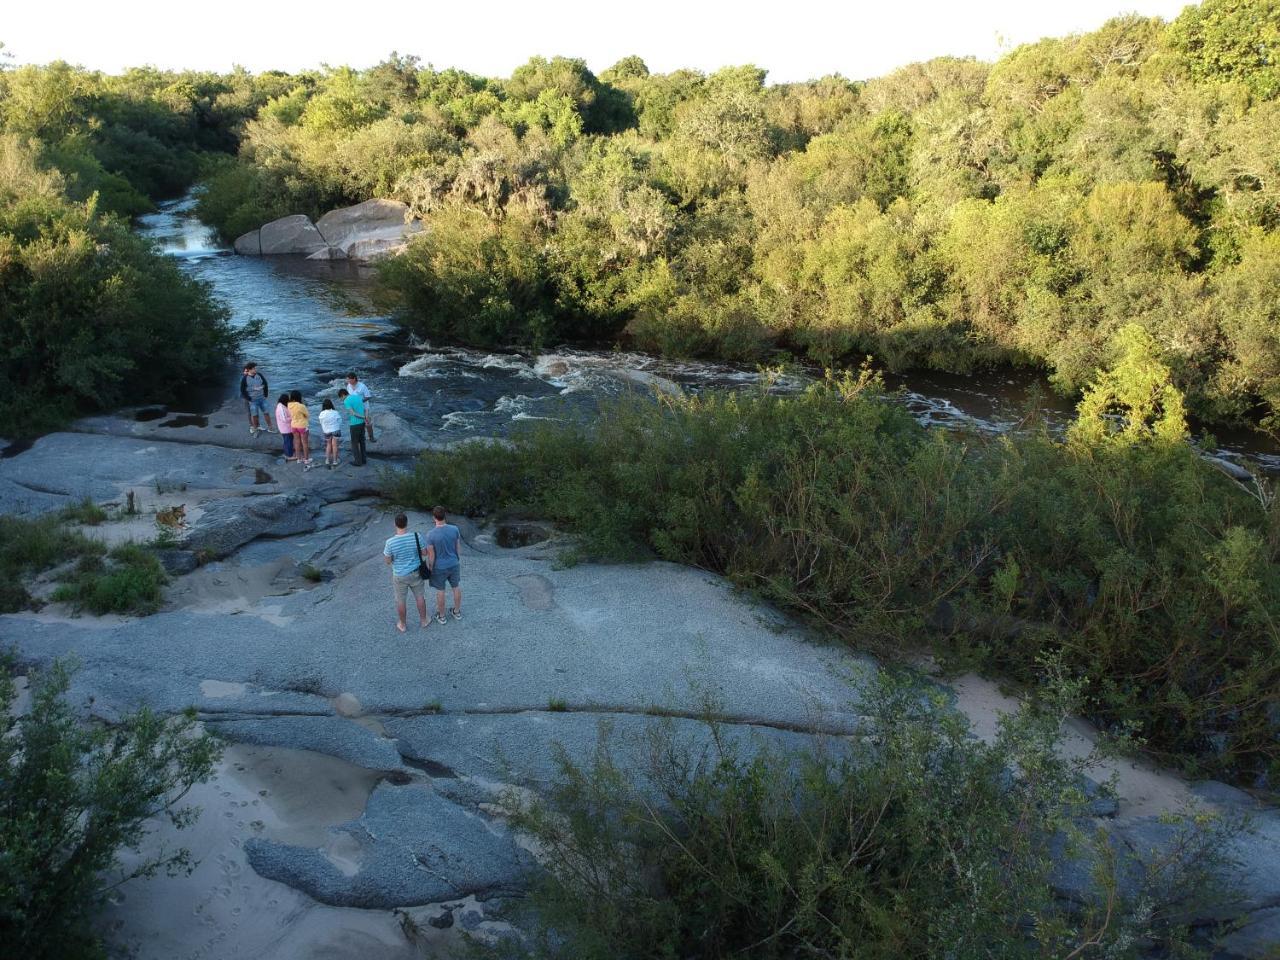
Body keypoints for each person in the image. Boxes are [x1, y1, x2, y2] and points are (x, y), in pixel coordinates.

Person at [383, 513, 429, 633]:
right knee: (420, 597)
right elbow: (424, 553)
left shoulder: (390, 542)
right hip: (415, 573)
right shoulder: (416, 536)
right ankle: (424, 620)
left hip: (399, 575)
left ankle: (402, 624)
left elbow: (387, 561)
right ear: (407, 523)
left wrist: (396, 557)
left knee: (401, 600)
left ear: (395, 524)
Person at [426, 505, 462, 624]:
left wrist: (430, 568)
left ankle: (441, 616)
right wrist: (457, 559)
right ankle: (456, 612)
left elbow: (431, 555)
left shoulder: (430, 534)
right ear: (445, 515)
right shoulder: (455, 529)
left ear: (434, 517)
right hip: (454, 563)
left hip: (439, 567)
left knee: (441, 590)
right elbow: (457, 547)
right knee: (456, 587)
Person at [240, 363, 273, 436]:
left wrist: (265, 394)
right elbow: (242, 390)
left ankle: (270, 428)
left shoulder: (259, 375)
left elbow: (265, 383)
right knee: (254, 415)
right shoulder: (245, 378)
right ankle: (255, 429)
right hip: (253, 400)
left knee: (266, 412)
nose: (255, 369)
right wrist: (249, 398)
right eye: (254, 368)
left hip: (262, 398)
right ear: (250, 369)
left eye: (255, 368)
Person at [345, 372, 376, 443]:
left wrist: (360, 401)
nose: (348, 381)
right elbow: (349, 396)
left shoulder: (362, 386)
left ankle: (371, 437)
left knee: (367, 421)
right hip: (354, 408)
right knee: (358, 422)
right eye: (347, 380)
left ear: (354, 379)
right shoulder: (348, 386)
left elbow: (368, 396)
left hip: (364, 407)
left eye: (349, 379)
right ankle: (362, 437)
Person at [339, 387, 367, 466]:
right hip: (362, 423)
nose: (341, 400)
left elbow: (353, 413)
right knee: (362, 441)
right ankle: (364, 459)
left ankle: (358, 461)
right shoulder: (357, 397)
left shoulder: (346, 401)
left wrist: (363, 417)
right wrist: (365, 417)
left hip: (355, 424)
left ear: (343, 395)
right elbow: (363, 408)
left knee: (354, 443)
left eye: (341, 398)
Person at [287, 390, 312, 469]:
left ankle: (299, 459)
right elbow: (307, 415)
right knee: (305, 443)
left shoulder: (288, 405)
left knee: (297, 442)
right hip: (302, 425)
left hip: (293, 425)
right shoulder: (301, 406)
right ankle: (306, 459)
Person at [318, 398, 342, 469]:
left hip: (327, 431)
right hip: (335, 430)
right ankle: (335, 460)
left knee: (328, 445)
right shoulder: (335, 412)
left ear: (323, 406)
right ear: (331, 404)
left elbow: (321, 422)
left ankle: (327, 460)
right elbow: (340, 421)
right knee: (335, 445)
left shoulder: (322, 413)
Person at [274, 393, 295, 461]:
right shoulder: (281, 408)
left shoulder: (280, 405)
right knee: (288, 442)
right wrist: (292, 418)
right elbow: (285, 419)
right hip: (286, 429)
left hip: (284, 428)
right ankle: (289, 456)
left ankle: (287, 454)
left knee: (286, 441)